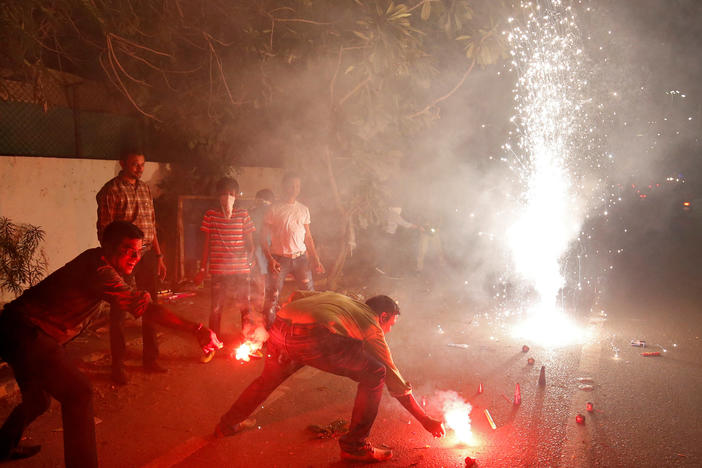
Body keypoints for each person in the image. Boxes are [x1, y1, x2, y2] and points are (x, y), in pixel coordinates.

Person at [0, 221, 221, 467]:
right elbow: (146, 310)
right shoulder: (99, 270)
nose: (136, 257)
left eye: (139, 251)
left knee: (38, 400)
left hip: (20, 328)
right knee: (78, 392)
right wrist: (196, 329)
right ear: (108, 246)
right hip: (27, 331)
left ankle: (2, 446)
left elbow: (135, 301)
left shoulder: (99, 263)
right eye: (129, 250)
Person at [214, 291, 445, 462]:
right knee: (376, 372)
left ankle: (228, 424)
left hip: (279, 329)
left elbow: (298, 295)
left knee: (268, 379)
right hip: (311, 337)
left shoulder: (342, 300)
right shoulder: (371, 325)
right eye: (391, 324)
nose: (389, 330)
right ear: (383, 316)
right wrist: (425, 420)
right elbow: (394, 378)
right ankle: (355, 446)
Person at [96, 149, 168, 384]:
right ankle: (118, 366)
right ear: (123, 163)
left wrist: (158, 255)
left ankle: (151, 359)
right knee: (119, 310)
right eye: (135, 164)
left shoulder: (145, 188)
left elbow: (152, 224)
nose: (139, 168)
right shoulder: (111, 190)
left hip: (147, 255)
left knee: (150, 305)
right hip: (123, 258)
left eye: (142, 164)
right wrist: (114, 261)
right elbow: (105, 230)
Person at [194, 177, 256, 362]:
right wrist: (202, 269)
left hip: (241, 270)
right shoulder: (211, 215)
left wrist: (250, 257)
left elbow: (251, 244)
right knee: (216, 309)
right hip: (219, 270)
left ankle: (249, 344)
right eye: (224, 193)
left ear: (236, 195)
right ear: (218, 196)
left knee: (246, 308)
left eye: (231, 193)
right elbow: (206, 245)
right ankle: (211, 345)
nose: (227, 197)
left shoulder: (243, 215)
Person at [262, 173, 324, 326]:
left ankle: (310, 329)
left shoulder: (303, 210)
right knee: (272, 297)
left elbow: (308, 237)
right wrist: (270, 259)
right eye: (291, 185)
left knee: (309, 296)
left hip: (301, 258)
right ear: (284, 187)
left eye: (297, 186)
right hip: (279, 259)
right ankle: (267, 334)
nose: (294, 189)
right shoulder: (274, 209)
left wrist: (316, 260)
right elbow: (263, 237)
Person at [248, 189, 274, 316]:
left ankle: (261, 305)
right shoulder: (273, 210)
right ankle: (267, 306)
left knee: (261, 277)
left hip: (261, 248)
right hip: (270, 248)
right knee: (268, 277)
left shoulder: (254, 211)